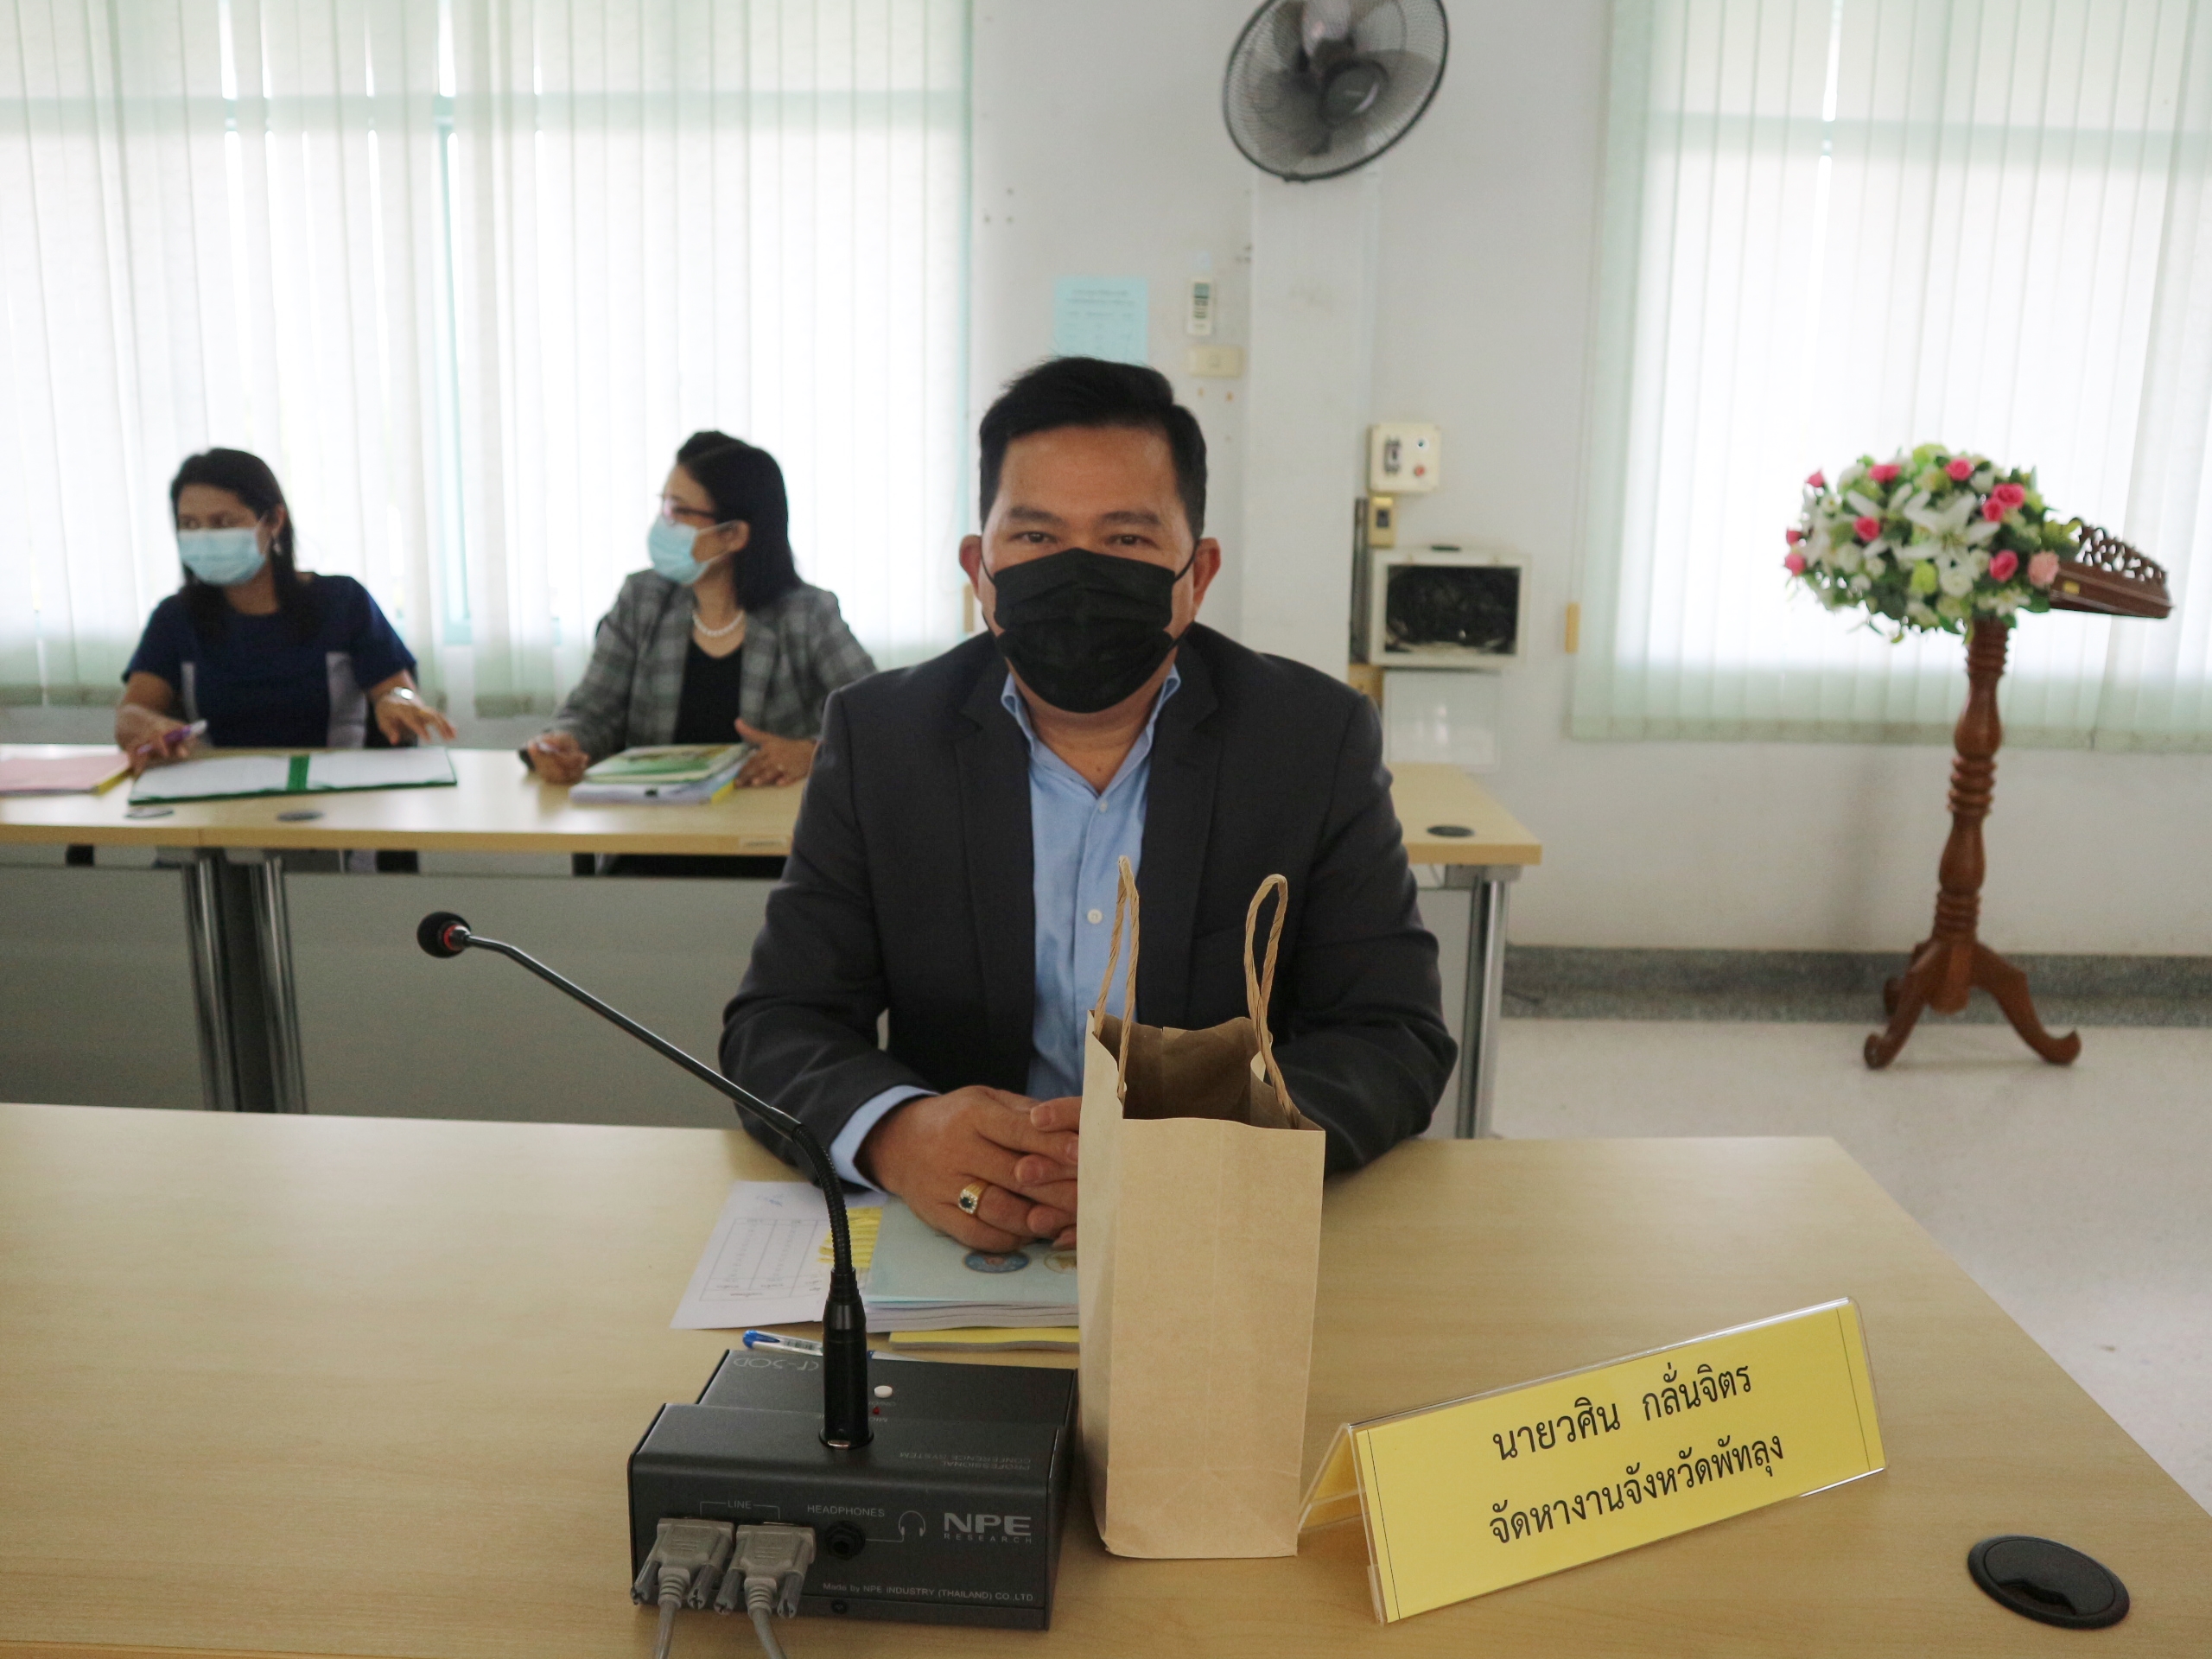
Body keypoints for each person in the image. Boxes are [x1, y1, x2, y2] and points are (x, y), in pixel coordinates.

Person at [721, 358, 1454, 1252]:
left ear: (1197, 573)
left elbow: (1388, 1033)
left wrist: (1211, 1150)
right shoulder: (883, 737)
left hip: (1207, 1230)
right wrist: (896, 1134)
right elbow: (781, 1020)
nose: (1076, 574)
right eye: (1035, 537)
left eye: (1127, 540)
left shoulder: (1309, 739)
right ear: (979, 568)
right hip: (957, 1229)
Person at [524, 432, 874, 791]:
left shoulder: (807, 614)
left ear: (734, 535)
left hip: (763, 820)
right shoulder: (641, 600)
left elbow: (876, 719)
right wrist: (564, 743)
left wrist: (813, 752)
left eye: (679, 511)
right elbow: (593, 712)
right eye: (664, 506)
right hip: (652, 817)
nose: (664, 523)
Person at [117, 448, 452, 772]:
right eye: (190, 524)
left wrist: (398, 702)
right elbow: (131, 713)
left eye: (223, 522)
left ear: (274, 521)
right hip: (220, 791)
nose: (204, 537)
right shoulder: (176, 616)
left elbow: (397, 691)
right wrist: (146, 725)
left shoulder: (342, 601)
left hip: (336, 788)